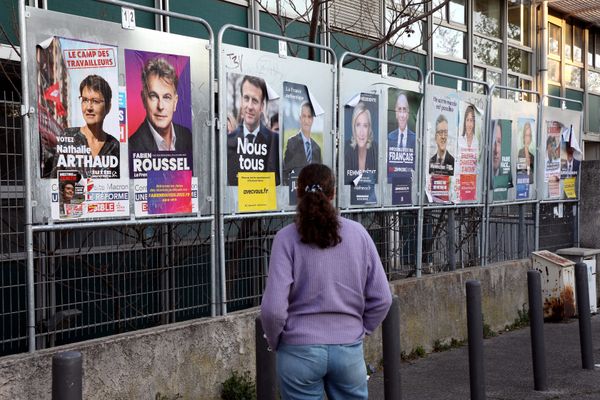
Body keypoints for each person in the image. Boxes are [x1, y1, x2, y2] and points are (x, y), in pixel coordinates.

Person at [261, 163, 392, 400]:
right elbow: (382, 297)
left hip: (297, 352)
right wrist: (361, 329)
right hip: (348, 350)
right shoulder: (359, 234)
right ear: (333, 194)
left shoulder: (285, 239)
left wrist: (277, 341)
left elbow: (272, 311)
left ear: (297, 193)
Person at [52, 74, 120, 179]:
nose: (89, 107)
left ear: (108, 107)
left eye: (95, 101)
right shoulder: (68, 137)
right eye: (84, 100)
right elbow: (55, 181)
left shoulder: (114, 146)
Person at [128, 57, 193, 153]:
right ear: (143, 100)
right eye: (153, 96)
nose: (160, 106)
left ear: (175, 102)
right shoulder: (132, 146)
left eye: (166, 97)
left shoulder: (186, 136)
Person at [227, 75, 280, 185]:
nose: (249, 106)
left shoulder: (274, 141)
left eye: (255, 100)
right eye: (246, 98)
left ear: (262, 106)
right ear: (241, 101)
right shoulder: (229, 141)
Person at [282, 101, 323, 185]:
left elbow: (320, 176)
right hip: (296, 192)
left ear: (312, 120)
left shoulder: (317, 148)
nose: (306, 120)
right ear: (300, 118)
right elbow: (285, 172)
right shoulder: (292, 142)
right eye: (304, 116)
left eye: (309, 117)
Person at [344, 102, 378, 184]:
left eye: (365, 126)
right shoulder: (346, 148)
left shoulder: (375, 149)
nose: (361, 132)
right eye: (358, 125)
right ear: (353, 127)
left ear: (369, 128)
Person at [387, 93, 416, 178]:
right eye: (399, 110)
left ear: (408, 113)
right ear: (395, 112)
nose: (402, 115)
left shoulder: (415, 139)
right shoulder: (389, 138)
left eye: (404, 110)